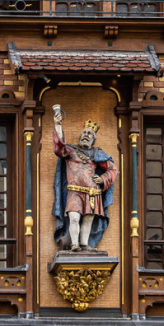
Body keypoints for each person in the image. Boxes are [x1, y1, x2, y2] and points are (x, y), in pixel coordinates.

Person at [52, 105, 118, 252]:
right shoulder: (71, 151)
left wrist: (103, 179)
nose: (86, 135)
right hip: (74, 192)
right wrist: (58, 125)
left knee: (88, 219)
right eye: (84, 133)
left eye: (90, 134)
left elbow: (113, 169)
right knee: (74, 218)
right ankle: (74, 244)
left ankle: (84, 244)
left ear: (93, 139)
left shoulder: (97, 154)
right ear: (80, 136)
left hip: (92, 193)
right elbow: (59, 147)